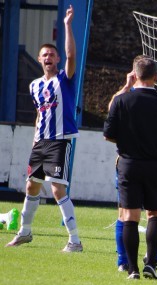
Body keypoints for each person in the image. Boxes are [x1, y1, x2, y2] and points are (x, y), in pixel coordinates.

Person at [6, 5, 82, 252]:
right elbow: (40, 113)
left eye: (52, 54)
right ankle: (25, 232)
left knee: (58, 188)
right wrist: (34, 141)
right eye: (44, 55)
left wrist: (68, 25)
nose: (48, 57)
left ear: (57, 59)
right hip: (40, 142)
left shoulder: (65, 79)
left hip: (60, 140)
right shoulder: (34, 86)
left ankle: (74, 240)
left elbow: (72, 56)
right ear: (39, 59)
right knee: (32, 186)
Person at [103, 55, 157, 280]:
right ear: (156, 76)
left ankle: (133, 269)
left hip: (129, 165)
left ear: (135, 74)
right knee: (156, 214)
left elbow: (108, 135)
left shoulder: (121, 100)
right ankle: (150, 262)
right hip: (156, 166)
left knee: (130, 216)